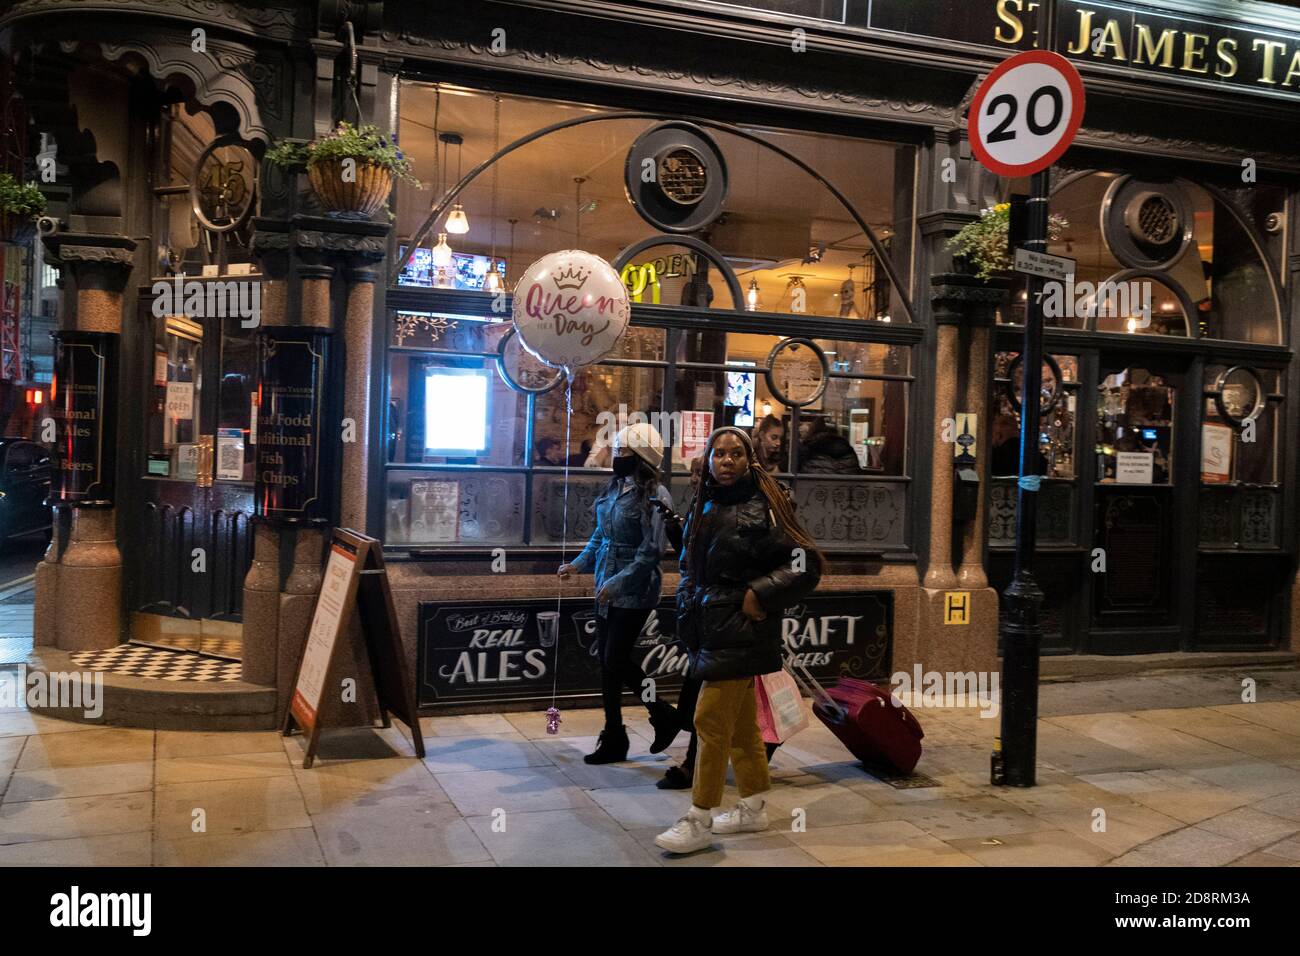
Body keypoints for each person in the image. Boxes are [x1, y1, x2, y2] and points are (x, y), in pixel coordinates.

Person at [655, 426, 823, 854]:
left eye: (735, 454)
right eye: (718, 454)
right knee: (742, 726)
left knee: (709, 720)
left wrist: (760, 592)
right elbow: (695, 564)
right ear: (708, 460)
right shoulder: (704, 502)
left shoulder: (766, 506)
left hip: (741, 630)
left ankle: (699, 816)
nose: (726, 461)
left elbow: (806, 563)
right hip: (707, 625)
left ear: (750, 461)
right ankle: (753, 804)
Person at [558, 423, 680, 764]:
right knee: (607, 665)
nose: (616, 457)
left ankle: (663, 714)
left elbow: (651, 551)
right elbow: (600, 536)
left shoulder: (656, 495)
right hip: (605, 585)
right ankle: (614, 736)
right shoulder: (614, 489)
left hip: (635, 589)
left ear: (641, 457)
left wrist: (618, 583)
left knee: (615, 658)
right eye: (615, 451)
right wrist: (577, 565)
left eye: (623, 452)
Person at [796, 416, 862, 474]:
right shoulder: (847, 448)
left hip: (813, 486)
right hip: (846, 487)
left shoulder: (808, 448)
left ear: (813, 430)